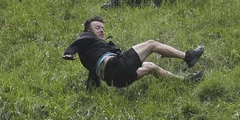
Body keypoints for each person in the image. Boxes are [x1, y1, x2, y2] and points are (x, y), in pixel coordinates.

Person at [62, 17, 204, 90]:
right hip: (116, 66)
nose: (102, 30)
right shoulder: (86, 37)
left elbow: (95, 70)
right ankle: (188, 57)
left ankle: (185, 81)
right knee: (151, 44)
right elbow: (75, 44)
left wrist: (92, 86)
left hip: (118, 81)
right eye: (97, 27)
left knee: (151, 67)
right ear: (88, 30)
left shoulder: (92, 51)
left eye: (103, 28)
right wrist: (69, 52)